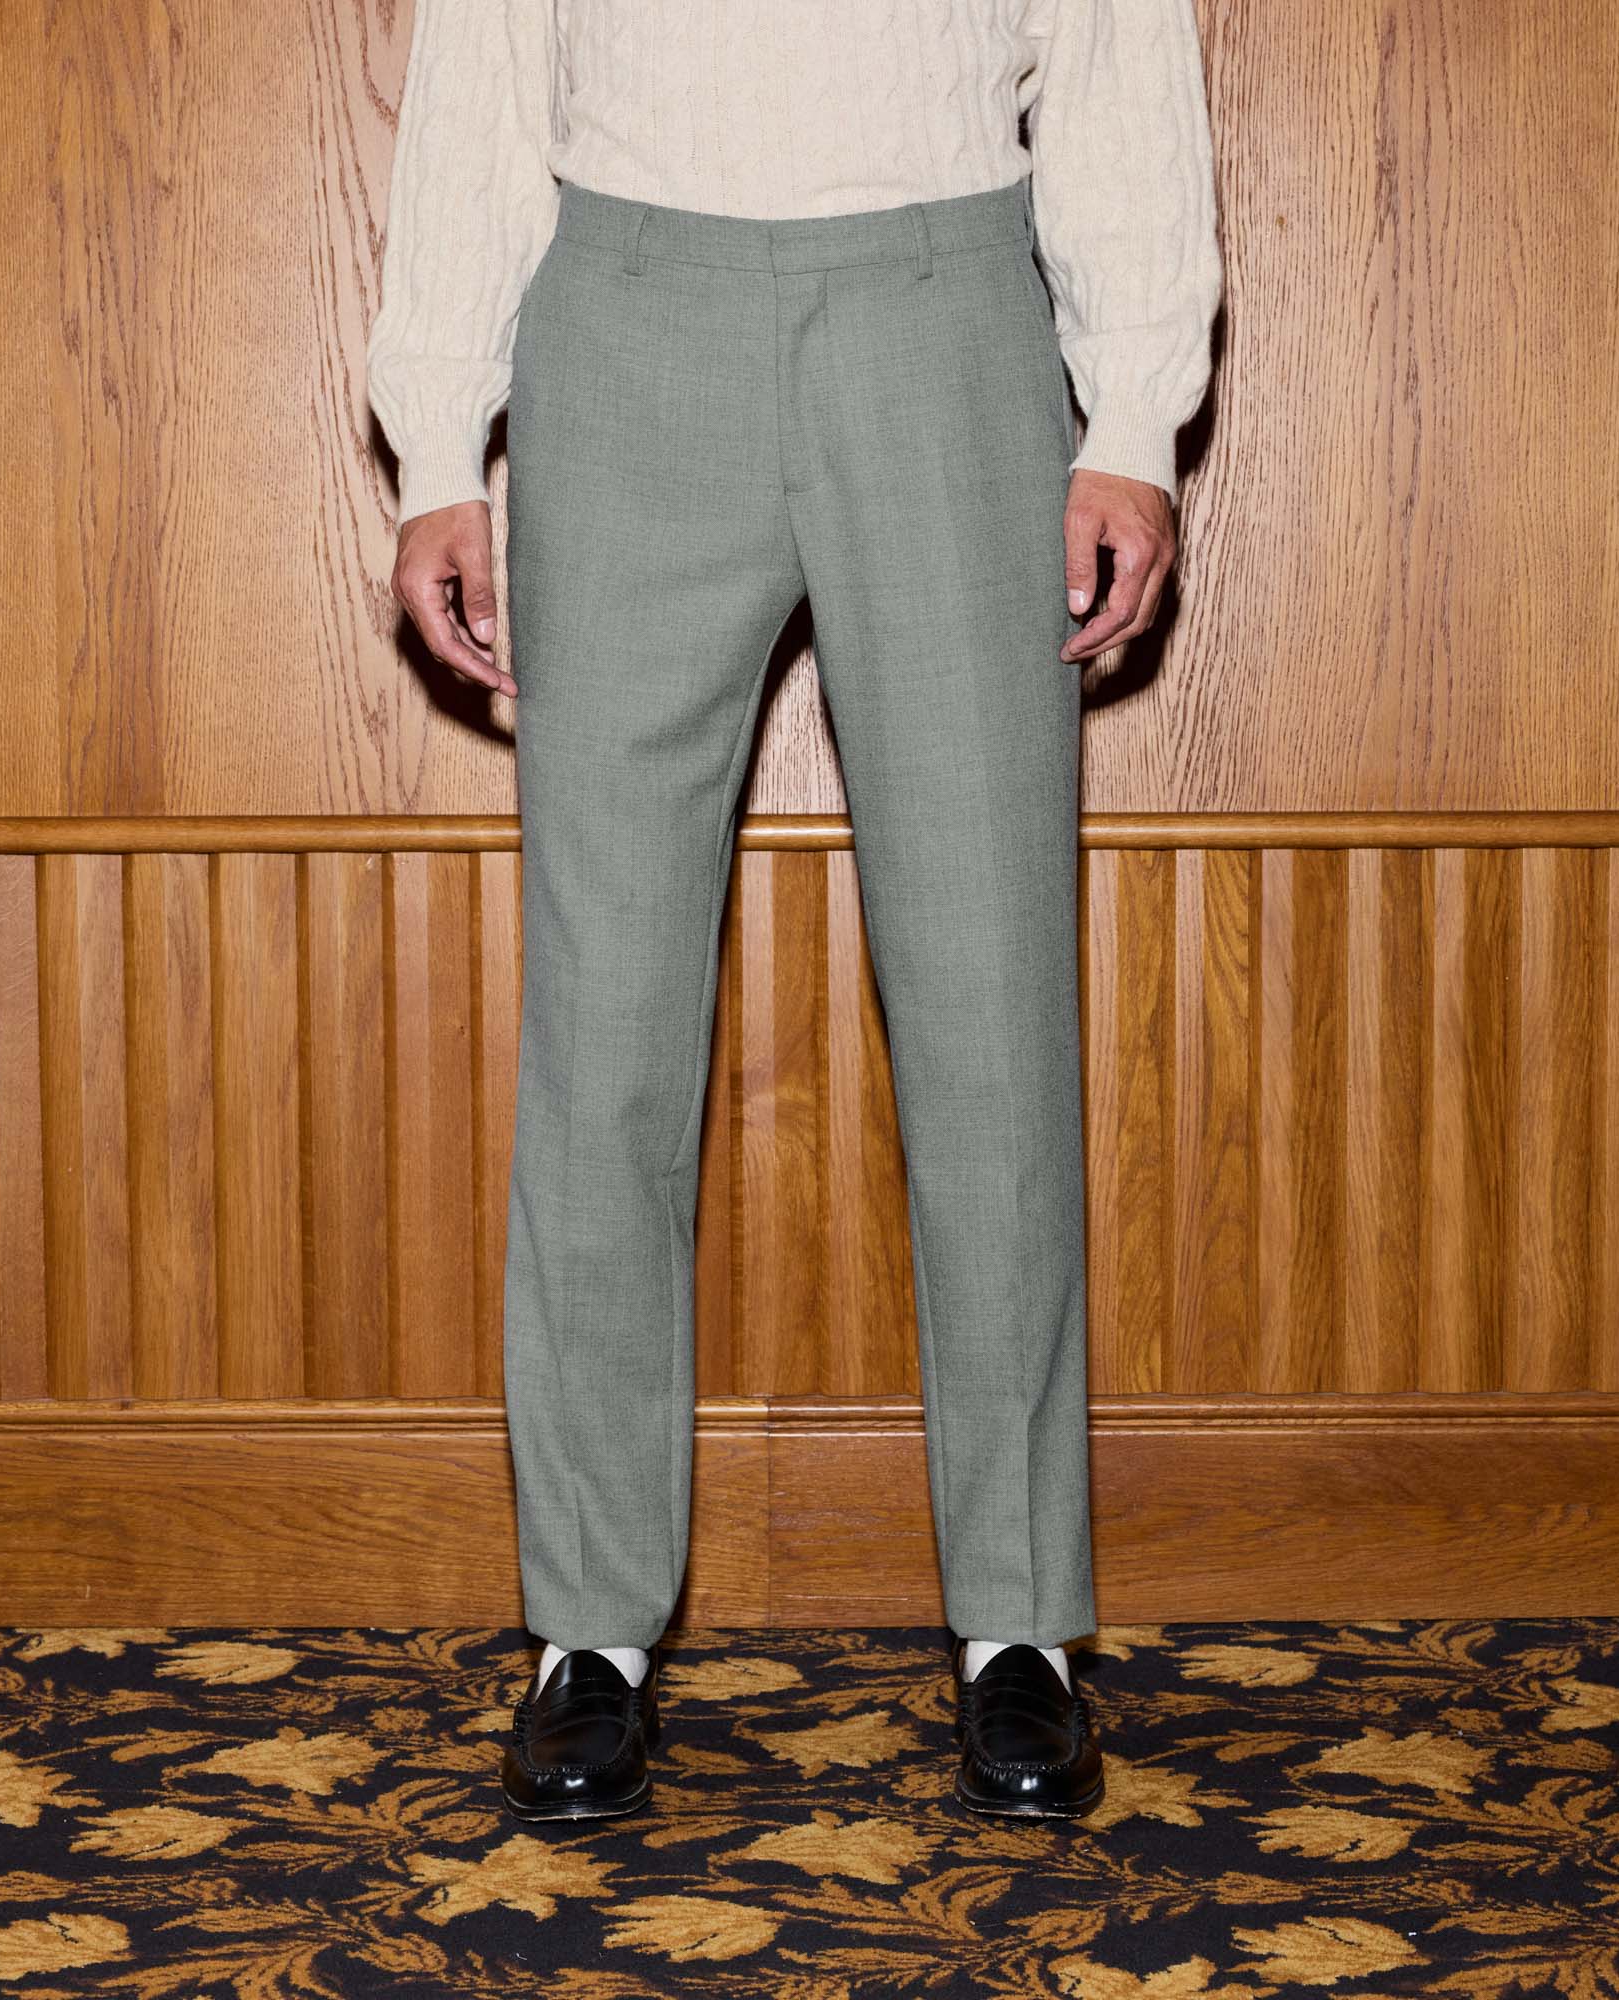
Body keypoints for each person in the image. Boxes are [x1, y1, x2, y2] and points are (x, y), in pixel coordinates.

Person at [367, 0, 1223, 1823]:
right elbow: (485, 70)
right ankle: (587, 1634)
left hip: (949, 311)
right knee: (604, 1021)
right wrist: (437, 446)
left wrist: (1136, 414)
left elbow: (1114, 49)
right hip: (626, 312)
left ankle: (1021, 1626)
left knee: (991, 1002)